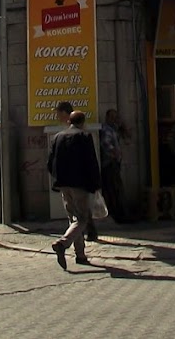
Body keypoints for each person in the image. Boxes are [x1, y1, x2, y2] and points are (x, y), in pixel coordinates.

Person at [47, 109, 101, 270]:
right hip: (80, 184)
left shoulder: (58, 137)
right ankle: (63, 243)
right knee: (82, 219)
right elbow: (91, 162)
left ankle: (80, 255)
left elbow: (50, 162)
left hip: (63, 184)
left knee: (73, 219)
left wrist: (58, 179)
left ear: (69, 121)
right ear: (83, 122)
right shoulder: (84, 137)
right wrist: (95, 184)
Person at [99, 107, 130, 223]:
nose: (114, 119)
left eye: (115, 117)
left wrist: (123, 126)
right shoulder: (106, 130)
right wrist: (115, 154)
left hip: (115, 163)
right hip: (109, 163)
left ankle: (120, 213)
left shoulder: (115, 129)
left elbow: (128, 137)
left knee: (116, 189)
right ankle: (118, 214)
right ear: (107, 117)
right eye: (112, 117)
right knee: (113, 189)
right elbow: (106, 144)